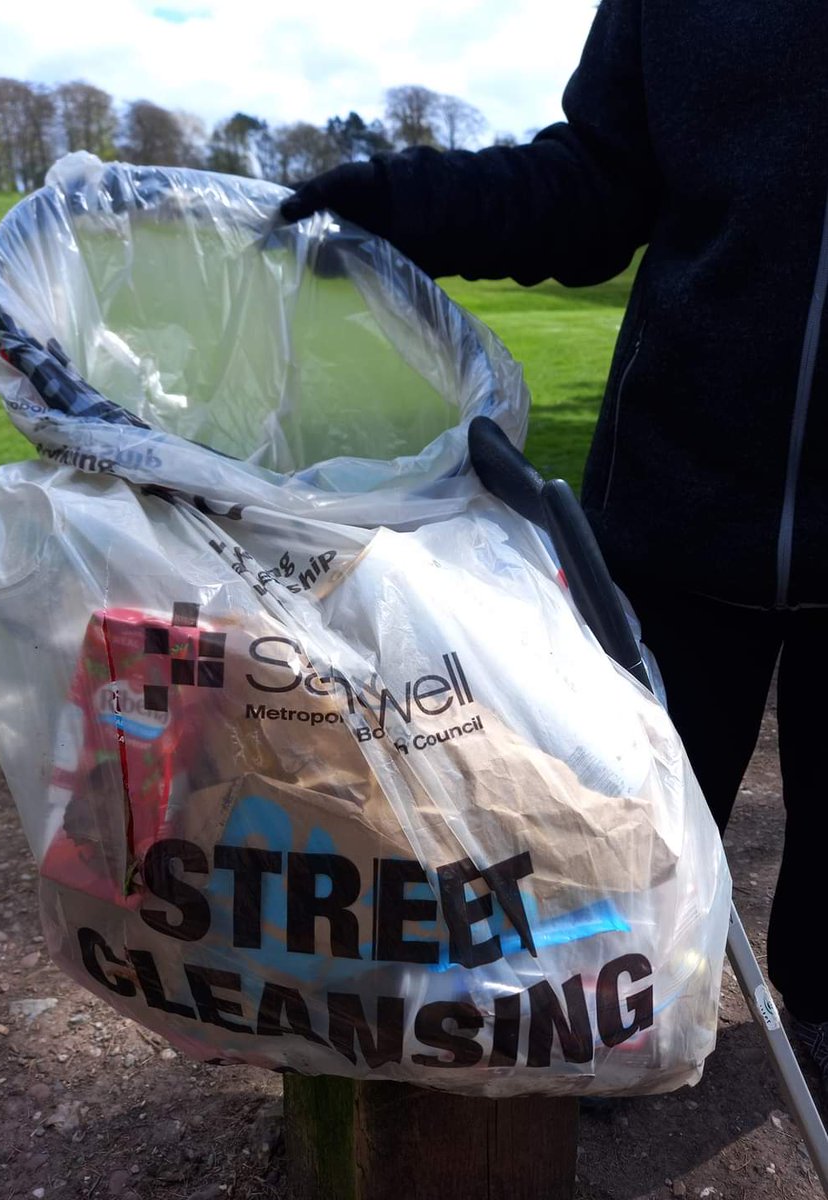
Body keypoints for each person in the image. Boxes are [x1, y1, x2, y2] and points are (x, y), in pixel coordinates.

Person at [279, 0, 828, 1099]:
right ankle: (622, 1040)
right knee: (629, 843)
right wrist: (408, 203)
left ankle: (814, 1020)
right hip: (677, 512)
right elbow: (595, 182)